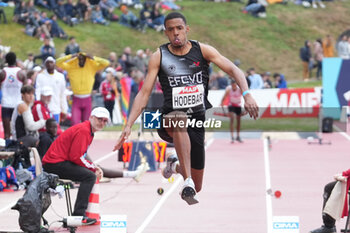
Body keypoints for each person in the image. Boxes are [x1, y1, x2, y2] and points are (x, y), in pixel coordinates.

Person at [114, 12, 259, 205]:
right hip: (170, 120)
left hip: (197, 121)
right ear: (165, 32)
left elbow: (234, 69)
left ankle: (175, 166)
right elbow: (144, 93)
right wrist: (128, 124)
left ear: (186, 29)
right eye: (171, 30)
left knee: (198, 186)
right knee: (179, 118)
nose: (176, 33)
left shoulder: (202, 50)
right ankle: (186, 181)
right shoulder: (159, 56)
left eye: (179, 29)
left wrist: (246, 94)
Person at [42, 107, 108, 225]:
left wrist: (92, 166)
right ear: (91, 118)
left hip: (57, 162)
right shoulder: (84, 130)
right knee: (89, 176)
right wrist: (93, 168)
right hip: (54, 164)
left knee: (88, 174)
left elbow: (79, 155)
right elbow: (76, 157)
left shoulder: (88, 130)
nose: (102, 123)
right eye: (99, 119)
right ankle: (78, 215)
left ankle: (82, 213)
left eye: (104, 121)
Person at [56, 52, 110, 125]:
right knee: (75, 123)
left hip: (87, 99)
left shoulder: (92, 66)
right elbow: (57, 62)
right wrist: (70, 56)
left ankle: (86, 136)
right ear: (77, 59)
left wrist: (93, 57)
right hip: (76, 99)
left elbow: (106, 63)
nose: (81, 61)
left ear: (86, 59)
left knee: (87, 125)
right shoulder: (71, 66)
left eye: (83, 59)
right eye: (79, 59)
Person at [0, 52, 26, 139]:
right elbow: (26, 89)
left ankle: (7, 148)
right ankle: (17, 149)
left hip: (5, 104)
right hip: (17, 104)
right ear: (16, 60)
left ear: (6, 60)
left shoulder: (2, 73)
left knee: (7, 132)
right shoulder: (21, 73)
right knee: (17, 130)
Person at [35, 56, 68, 123]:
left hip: (56, 109)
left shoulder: (60, 76)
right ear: (45, 64)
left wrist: (64, 109)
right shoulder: (40, 76)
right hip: (44, 109)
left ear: (54, 64)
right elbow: (37, 92)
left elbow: (62, 94)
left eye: (51, 62)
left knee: (55, 129)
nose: (49, 64)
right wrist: (38, 106)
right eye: (47, 63)